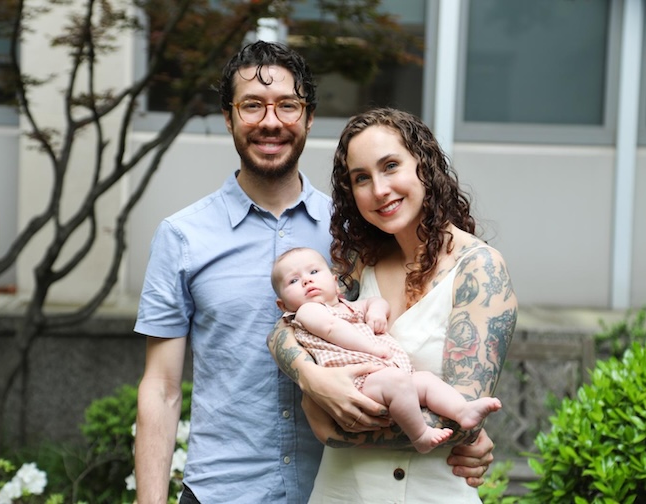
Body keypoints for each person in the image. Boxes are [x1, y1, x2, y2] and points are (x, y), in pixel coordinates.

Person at [134, 40, 494, 504]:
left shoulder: (359, 230)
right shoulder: (182, 237)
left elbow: (415, 324)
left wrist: (461, 428)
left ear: (307, 117)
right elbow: (161, 388)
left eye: (287, 105)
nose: (271, 121)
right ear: (228, 117)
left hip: (335, 490)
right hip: (222, 491)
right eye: (252, 106)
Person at [268, 108, 518, 503]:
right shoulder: (359, 261)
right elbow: (287, 326)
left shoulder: (478, 270)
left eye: (390, 166)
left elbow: (463, 419)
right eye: (361, 178)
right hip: (340, 493)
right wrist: (309, 378)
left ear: (424, 165)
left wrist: (329, 423)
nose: (379, 189)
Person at [271, 246, 502, 454]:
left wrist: (377, 312)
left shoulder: (348, 306)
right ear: (282, 304)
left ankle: (461, 411)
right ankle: (420, 434)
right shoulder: (307, 312)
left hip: (389, 376)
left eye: (313, 272)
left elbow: (375, 302)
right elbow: (332, 329)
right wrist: (371, 346)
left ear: (334, 281)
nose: (306, 281)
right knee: (398, 382)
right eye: (293, 281)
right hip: (357, 383)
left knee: (425, 381)